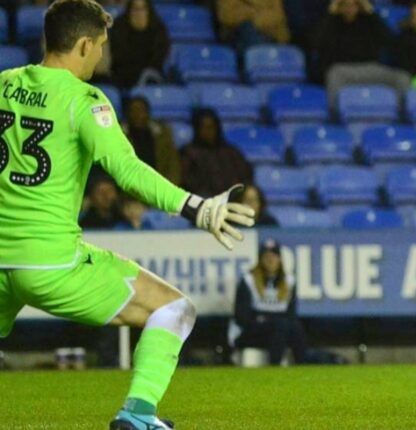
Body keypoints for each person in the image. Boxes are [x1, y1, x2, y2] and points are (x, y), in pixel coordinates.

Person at [0, 1, 255, 429]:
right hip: (51, 262)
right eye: (99, 46)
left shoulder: (5, 84)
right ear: (83, 45)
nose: (101, 55)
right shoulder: (85, 100)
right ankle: (137, 415)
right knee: (174, 309)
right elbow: (127, 171)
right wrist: (194, 206)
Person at [229, 239, 308, 365]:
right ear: (260, 259)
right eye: (266, 256)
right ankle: (274, 367)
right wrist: (267, 320)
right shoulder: (249, 280)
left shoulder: (289, 281)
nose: (271, 260)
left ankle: (302, 368)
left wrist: (270, 319)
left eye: (274, 256)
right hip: (247, 334)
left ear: (280, 259)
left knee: (296, 328)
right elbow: (241, 317)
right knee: (280, 325)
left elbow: (291, 315)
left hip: (277, 332)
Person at [180, 108, 254, 197]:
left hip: (232, 202)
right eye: (203, 127)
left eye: (211, 127)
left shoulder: (231, 153)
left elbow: (245, 178)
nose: (207, 132)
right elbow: (186, 183)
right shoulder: (188, 154)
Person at [109, 0, 170, 88]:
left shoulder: (158, 28)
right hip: (122, 75)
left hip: (150, 76)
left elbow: (159, 58)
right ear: (129, 11)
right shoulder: (119, 27)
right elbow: (117, 57)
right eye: (135, 9)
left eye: (143, 9)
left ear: (148, 11)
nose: (139, 13)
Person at [121, 96, 181, 185]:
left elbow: (173, 166)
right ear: (127, 114)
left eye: (141, 110)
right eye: (133, 111)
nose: (137, 115)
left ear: (148, 113)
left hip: (161, 189)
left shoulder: (162, 136)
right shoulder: (119, 136)